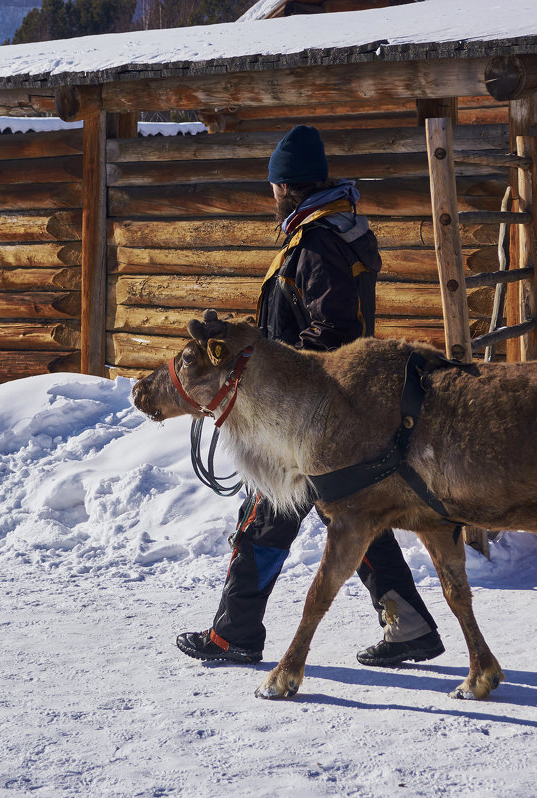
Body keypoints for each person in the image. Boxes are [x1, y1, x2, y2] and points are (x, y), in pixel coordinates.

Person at [176, 125, 445, 669]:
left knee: (266, 519)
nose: (271, 196)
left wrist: (266, 372)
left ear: (287, 187)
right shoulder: (327, 234)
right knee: (346, 517)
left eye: (274, 186)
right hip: (326, 409)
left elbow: (334, 331)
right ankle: (408, 623)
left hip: (306, 415)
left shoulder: (318, 242)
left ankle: (236, 635)